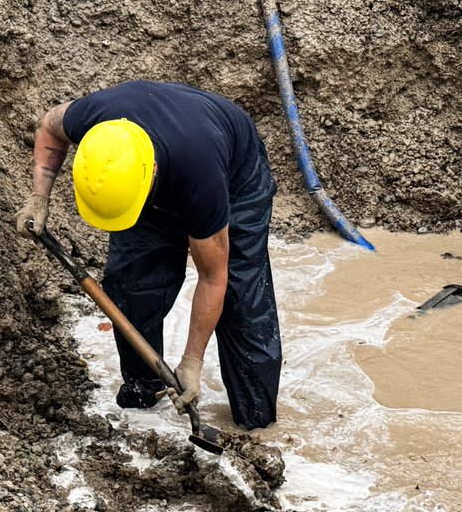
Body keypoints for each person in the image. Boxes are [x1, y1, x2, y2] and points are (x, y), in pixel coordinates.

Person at [15, 81, 281, 430]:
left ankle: (255, 422)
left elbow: (213, 276)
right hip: (141, 177)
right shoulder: (94, 119)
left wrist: (192, 362)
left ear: (151, 172)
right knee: (130, 289)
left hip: (232, 177)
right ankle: (144, 401)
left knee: (241, 301)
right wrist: (39, 197)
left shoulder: (200, 177)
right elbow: (50, 126)